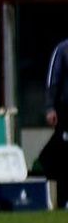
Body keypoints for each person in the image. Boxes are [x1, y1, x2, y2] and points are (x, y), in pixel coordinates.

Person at [39, 36, 68, 209]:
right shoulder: (63, 49)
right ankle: (64, 200)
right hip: (66, 110)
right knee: (64, 154)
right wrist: (50, 107)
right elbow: (53, 80)